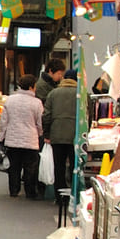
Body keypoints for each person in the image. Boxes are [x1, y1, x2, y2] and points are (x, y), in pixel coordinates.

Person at [1, 76, 44, 199]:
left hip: (12, 139)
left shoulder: (10, 100)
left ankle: (14, 190)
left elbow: (4, 121)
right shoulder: (37, 103)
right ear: (31, 87)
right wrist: (40, 133)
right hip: (30, 140)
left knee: (14, 167)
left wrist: (1, 137)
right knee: (30, 167)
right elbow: (40, 122)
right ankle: (30, 192)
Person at [43, 67, 79, 197]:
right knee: (75, 166)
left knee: (59, 166)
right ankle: (75, 195)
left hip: (57, 135)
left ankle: (59, 197)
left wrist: (47, 134)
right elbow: (88, 116)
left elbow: (46, 115)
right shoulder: (81, 94)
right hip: (76, 135)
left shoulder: (53, 93)